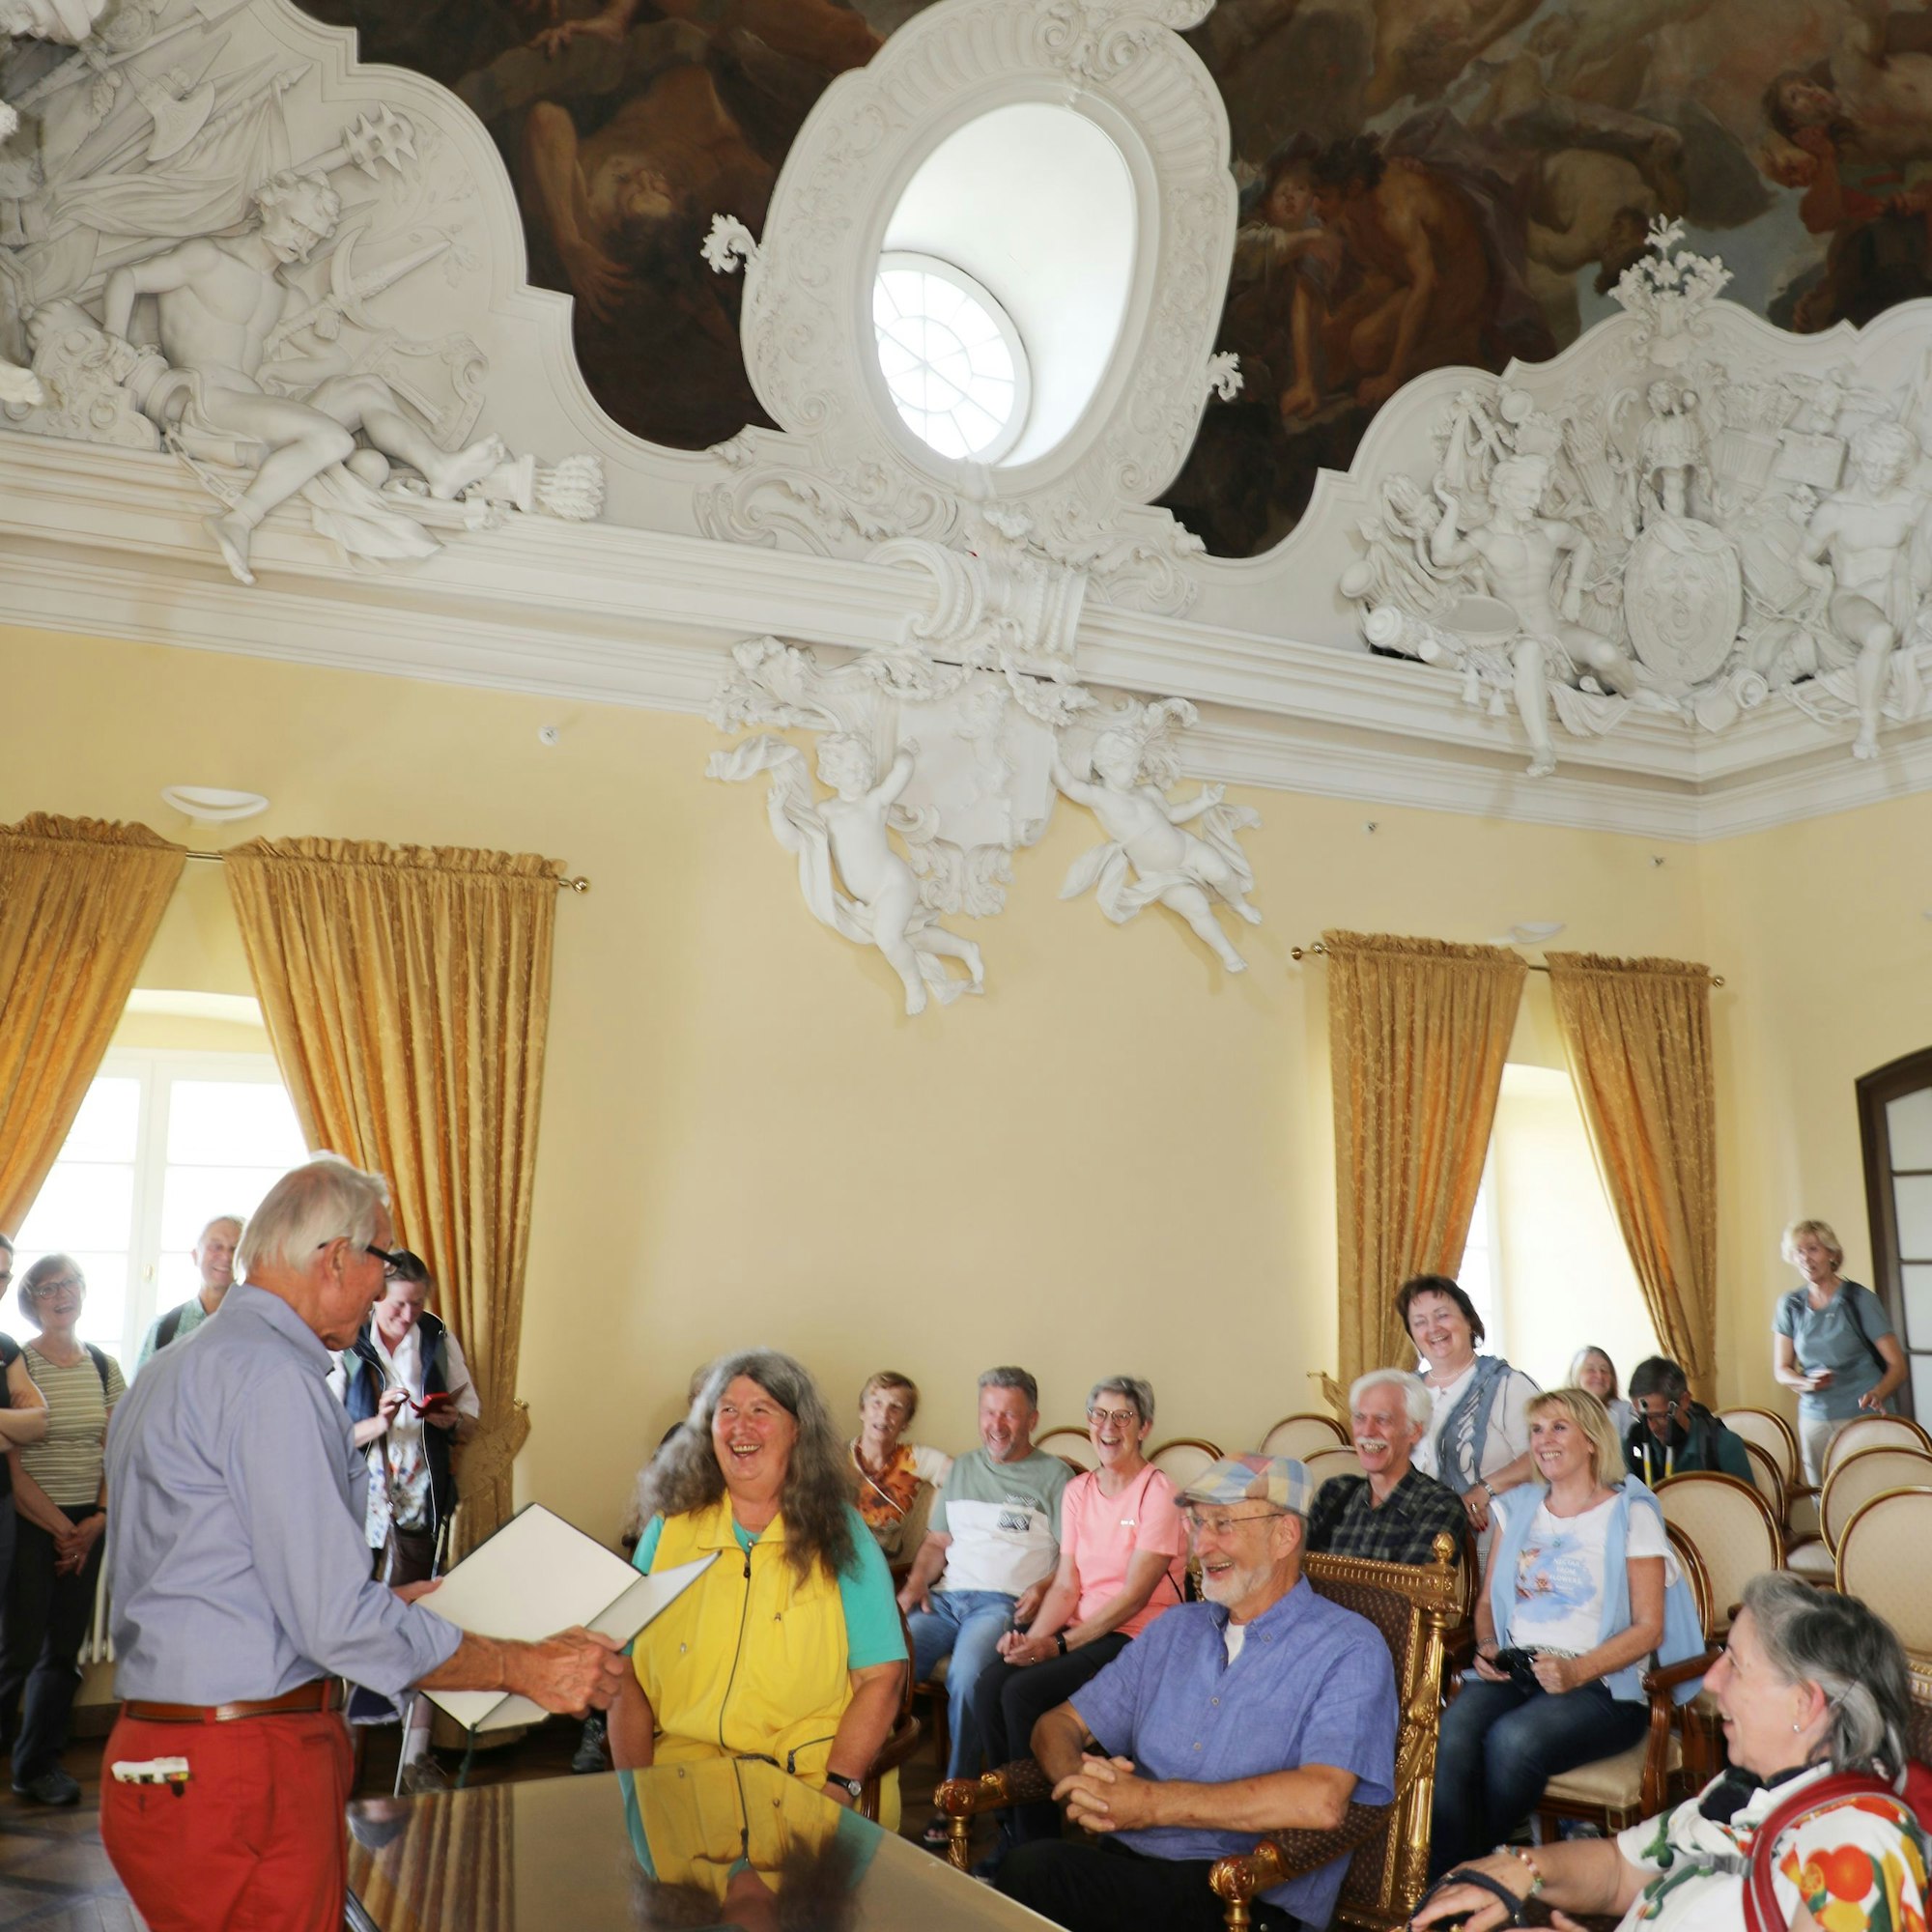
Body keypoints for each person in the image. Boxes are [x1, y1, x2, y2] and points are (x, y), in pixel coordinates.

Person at [99, 1153, 628, 1932]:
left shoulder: (173, 1367)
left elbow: (219, 1576)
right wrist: (526, 1666)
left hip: (165, 1755)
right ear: (336, 1257)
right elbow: (332, 1622)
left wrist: (381, 1603)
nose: (384, 1285)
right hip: (243, 1768)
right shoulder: (271, 1377)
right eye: (380, 1259)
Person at [993, 1453, 1398, 1932]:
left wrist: (1150, 1803)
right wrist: (1081, 1784)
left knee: (1032, 1877)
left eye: (1223, 1524)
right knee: (1027, 1873)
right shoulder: (1176, 1629)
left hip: (1242, 1893)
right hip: (1133, 1867)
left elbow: (1321, 1800)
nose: (1201, 1546)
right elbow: (1057, 1725)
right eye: (1197, 1523)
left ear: (1285, 1535)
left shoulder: (1348, 1647)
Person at [1414, 1573, 1929, 1932]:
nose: (1711, 1678)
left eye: (1737, 1664)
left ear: (1804, 1702)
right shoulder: (1746, 1791)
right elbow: (1621, 1868)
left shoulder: (1858, 1848)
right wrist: (1521, 1869)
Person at [99, 171, 509, 586]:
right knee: (332, 439)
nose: (302, 239)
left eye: (312, 235)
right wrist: (114, 338)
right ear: (268, 205)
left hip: (251, 404)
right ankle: (239, 520)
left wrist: (292, 359)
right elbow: (126, 278)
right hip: (208, 399)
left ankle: (438, 468)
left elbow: (332, 362)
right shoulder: (207, 257)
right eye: (296, 224)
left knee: (368, 389)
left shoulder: (284, 295)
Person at [610, 1350, 909, 1824]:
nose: (740, 1427)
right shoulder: (668, 1530)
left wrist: (837, 1790)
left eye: (760, 1411)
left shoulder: (841, 1535)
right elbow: (623, 1672)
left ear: (798, 1430)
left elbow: (881, 1680)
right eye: (726, 1410)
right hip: (683, 1786)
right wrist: (635, 1793)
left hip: (807, 1786)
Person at [1429, 1386, 1705, 1877]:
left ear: (1593, 1441)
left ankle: (1463, 1876)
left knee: (1514, 1742)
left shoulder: (1629, 1514)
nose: (1543, 1440)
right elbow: (1489, 1602)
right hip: (1519, 1668)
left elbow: (1648, 1629)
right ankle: (1462, 1881)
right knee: (1455, 1731)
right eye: (1536, 1430)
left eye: (1559, 1428)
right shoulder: (1519, 1509)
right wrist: (1489, 1645)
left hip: (1604, 1684)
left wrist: (1578, 1670)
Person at [970, 1376, 1187, 1866]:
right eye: (1098, 1415)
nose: (1108, 1428)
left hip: (1137, 1637)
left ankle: (1038, 1847)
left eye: (1122, 1417)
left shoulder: (1159, 1492)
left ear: (1144, 1427)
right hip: (1085, 1631)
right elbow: (1067, 1585)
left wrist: (1059, 1647)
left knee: (1021, 1694)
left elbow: (1133, 1598)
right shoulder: (1077, 1490)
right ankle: (1012, 1829)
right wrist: (1030, 1643)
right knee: (992, 1683)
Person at [327, 1249, 481, 1793]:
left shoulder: (436, 1336)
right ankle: (344, 1753)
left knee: (417, 1620)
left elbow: (470, 1416)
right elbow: (326, 1436)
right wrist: (377, 1422)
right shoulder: (347, 1341)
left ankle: (413, 1759)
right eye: (399, 1304)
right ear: (377, 1297)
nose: (408, 1315)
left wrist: (446, 1418)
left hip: (419, 1501)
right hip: (357, 1508)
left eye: (417, 1304)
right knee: (355, 1626)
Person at [897, 1366, 1070, 1826]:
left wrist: (1044, 1586)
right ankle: (873, 1789)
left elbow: (1075, 1557)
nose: (997, 1424)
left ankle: (957, 1802)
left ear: (1032, 1419)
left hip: (1001, 1604)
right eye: (989, 1412)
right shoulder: (964, 1469)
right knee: (890, 1660)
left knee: (968, 1676)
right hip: (947, 1601)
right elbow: (936, 1544)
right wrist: (914, 1585)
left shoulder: (1056, 1478)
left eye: (1010, 1415)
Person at [0, 1254, 123, 1805]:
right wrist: (61, 1530)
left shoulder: (102, 1363)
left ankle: (36, 1765)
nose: (61, 1294)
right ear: (30, 1301)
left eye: (69, 1282)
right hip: (32, 1524)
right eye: (46, 1288)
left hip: (88, 1524)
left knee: (63, 1653)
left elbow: (115, 1449)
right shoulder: (17, 1362)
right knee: (17, 1653)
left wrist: (94, 1521)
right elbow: (13, 1469)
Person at [1399, 1275, 1538, 1550]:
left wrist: (1485, 1489)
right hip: (1413, 1538)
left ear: (1469, 1320)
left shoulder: (1506, 1384)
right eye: (1420, 1322)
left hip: (1490, 1536)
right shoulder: (1404, 1392)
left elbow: (1542, 1454)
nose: (1433, 1328)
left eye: (1442, 1316)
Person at [1774, 1216, 1907, 1483]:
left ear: (1832, 1254)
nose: (1806, 1258)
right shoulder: (1790, 1305)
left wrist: (1878, 1392)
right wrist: (1806, 1383)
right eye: (1799, 1251)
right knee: (1824, 1498)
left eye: (1813, 1249)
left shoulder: (1859, 1299)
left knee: (1871, 1495)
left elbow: (1897, 1366)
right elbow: (1781, 1369)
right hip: (1815, 1418)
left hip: (1862, 1415)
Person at [1307, 1368, 1467, 1565]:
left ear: (1414, 1432)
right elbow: (1294, 1575)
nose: (1367, 1430)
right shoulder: (1334, 1494)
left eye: (1382, 1420)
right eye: (1360, 1418)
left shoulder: (1439, 1505)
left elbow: (1411, 1593)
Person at [849, 1370, 952, 1564]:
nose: (884, 1414)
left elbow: (966, 1477)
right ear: (862, 1411)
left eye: (895, 1407)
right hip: (834, 1561)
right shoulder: (833, 1458)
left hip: (883, 1567)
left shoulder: (914, 1459)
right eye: (876, 1403)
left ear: (906, 1422)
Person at [1624, 1354, 1755, 1487]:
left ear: (1684, 1400)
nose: (1652, 1427)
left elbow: (1746, 1505)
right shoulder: (1633, 1445)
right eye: (1642, 1417)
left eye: (1660, 1416)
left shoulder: (1724, 1446)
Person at [134, 1213, 242, 1369]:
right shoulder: (164, 1329)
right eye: (216, 1247)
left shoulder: (261, 1328)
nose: (226, 1256)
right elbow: (143, 1391)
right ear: (195, 1255)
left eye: (235, 1249)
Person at [1570, 1346, 1634, 1443]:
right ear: (1576, 1375)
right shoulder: (1563, 1411)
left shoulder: (1624, 1410)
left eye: (1604, 1370)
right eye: (1591, 1370)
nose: (1599, 1376)